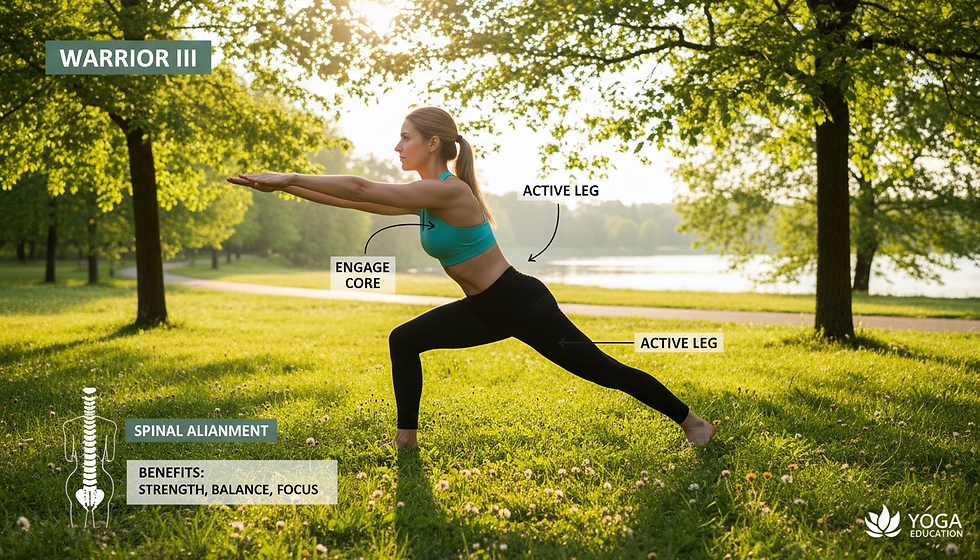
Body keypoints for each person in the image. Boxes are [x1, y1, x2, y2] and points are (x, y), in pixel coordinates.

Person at [227, 106, 716, 449]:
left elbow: (359, 185)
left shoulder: (450, 191)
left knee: (603, 371)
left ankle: (694, 424)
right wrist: (283, 189)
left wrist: (287, 176)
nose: (397, 146)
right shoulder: (424, 193)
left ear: (432, 144)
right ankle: (406, 438)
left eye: (406, 138)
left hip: (520, 303)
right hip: (487, 308)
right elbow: (353, 198)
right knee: (404, 340)